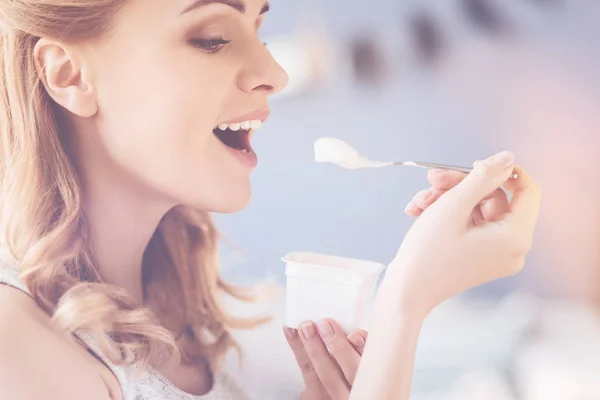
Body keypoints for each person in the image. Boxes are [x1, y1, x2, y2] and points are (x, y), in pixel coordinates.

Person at [0, 1, 541, 399]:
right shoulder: (15, 348)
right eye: (212, 37)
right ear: (68, 75)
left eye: (259, 26)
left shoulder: (199, 321)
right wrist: (406, 302)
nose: (274, 74)